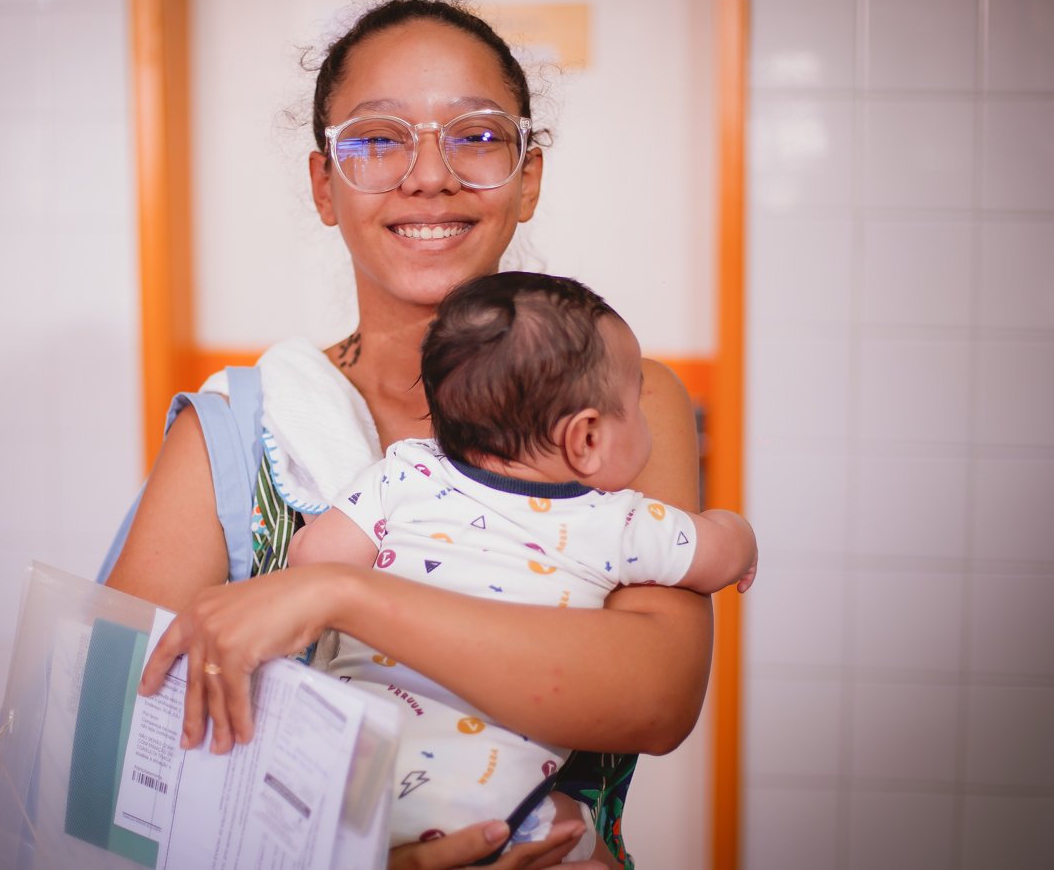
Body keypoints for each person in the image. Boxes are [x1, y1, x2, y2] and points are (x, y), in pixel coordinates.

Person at [116, 0, 717, 870]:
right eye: (378, 138)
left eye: (475, 135)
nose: (429, 175)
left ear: (529, 178)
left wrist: (344, 597)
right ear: (325, 185)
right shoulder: (240, 432)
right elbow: (129, 755)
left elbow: (656, 697)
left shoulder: (620, 401)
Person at [285, 271, 757, 859]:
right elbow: (714, 555)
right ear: (585, 439)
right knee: (571, 831)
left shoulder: (404, 471)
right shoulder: (616, 523)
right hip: (489, 806)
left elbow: (311, 559)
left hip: (347, 775)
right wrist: (742, 535)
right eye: (635, 403)